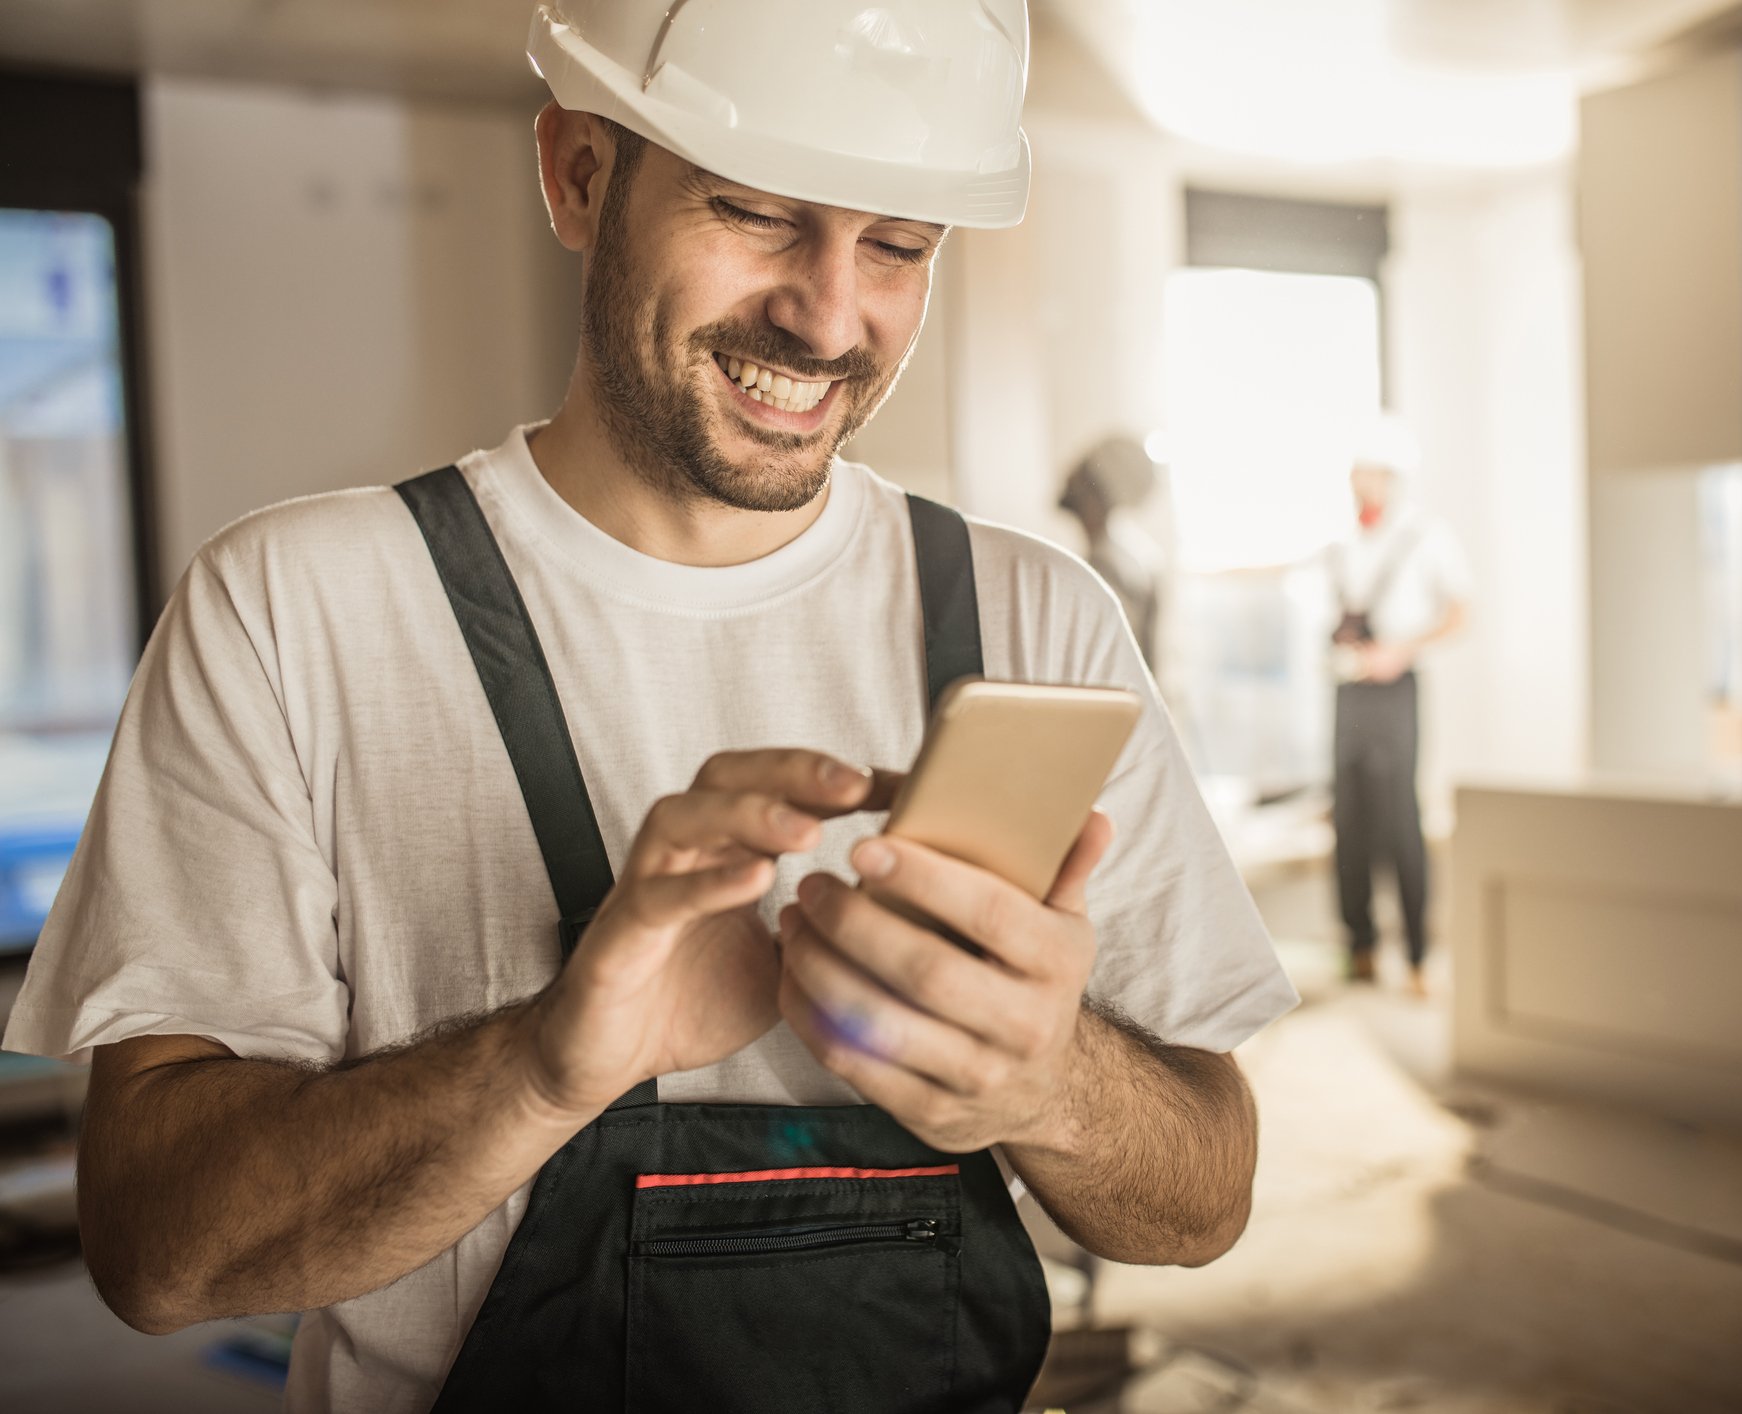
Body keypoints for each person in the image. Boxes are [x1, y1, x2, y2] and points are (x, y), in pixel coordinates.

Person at [0, 4, 1298, 1411]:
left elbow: (1206, 1195)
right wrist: (546, 1062)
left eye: (899, 246)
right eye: (754, 213)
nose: (827, 311)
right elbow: (150, 1251)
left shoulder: (1033, 621)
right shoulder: (292, 610)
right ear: (573, 171)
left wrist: (1049, 1084)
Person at [1327, 426, 1471, 997]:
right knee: (1350, 818)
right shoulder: (1340, 541)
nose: (1358, 480)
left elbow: (1461, 611)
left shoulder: (1424, 536)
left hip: (1395, 687)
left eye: (1369, 469)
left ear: (1389, 476)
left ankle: (1417, 954)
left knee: (1398, 819)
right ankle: (1359, 946)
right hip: (1347, 687)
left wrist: (1400, 650)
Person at [1057, 434, 1165, 670]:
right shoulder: (1120, 558)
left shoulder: (1110, 568)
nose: (1068, 473)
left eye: (1082, 470)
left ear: (1095, 493)